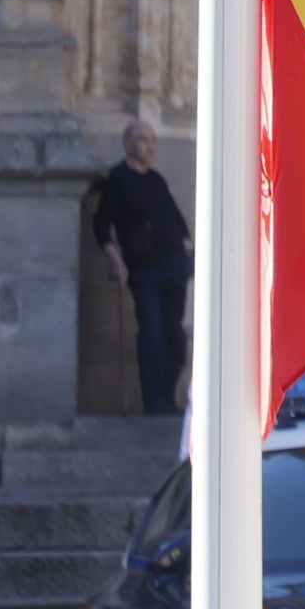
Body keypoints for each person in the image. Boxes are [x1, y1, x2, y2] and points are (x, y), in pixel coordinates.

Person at [91, 120, 192, 416]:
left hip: (174, 266)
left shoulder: (157, 180)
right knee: (152, 333)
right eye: (142, 140)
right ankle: (155, 402)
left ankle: (168, 398)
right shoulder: (118, 179)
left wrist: (186, 245)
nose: (149, 146)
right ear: (127, 144)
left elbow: (175, 218)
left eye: (152, 140)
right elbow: (101, 223)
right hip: (145, 269)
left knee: (176, 335)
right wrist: (113, 256)